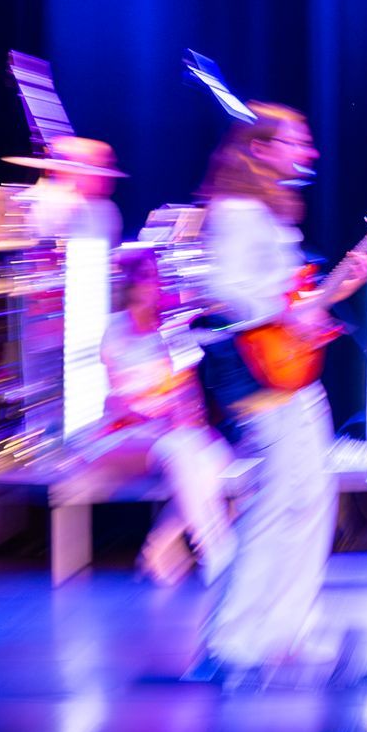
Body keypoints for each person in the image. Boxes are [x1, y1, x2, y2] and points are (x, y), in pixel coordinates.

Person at [193, 103, 367, 673]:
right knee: (276, 497)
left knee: (311, 495)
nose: (309, 151)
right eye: (296, 141)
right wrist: (284, 311)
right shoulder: (237, 211)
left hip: (291, 370)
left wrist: (332, 295)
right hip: (256, 371)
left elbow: (290, 298)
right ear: (262, 148)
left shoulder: (271, 213)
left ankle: (288, 626)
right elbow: (224, 287)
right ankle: (234, 634)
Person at [91, 244, 235, 587]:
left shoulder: (172, 332)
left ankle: (164, 543)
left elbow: (188, 397)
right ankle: (217, 550)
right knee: (183, 451)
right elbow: (119, 401)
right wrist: (155, 410)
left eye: (156, 278)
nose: (153, 285)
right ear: (130, 283)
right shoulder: (115, 330)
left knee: (213, 458)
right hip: (124, 434)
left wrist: (182, 415)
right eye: (145, 278)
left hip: (169, 432)